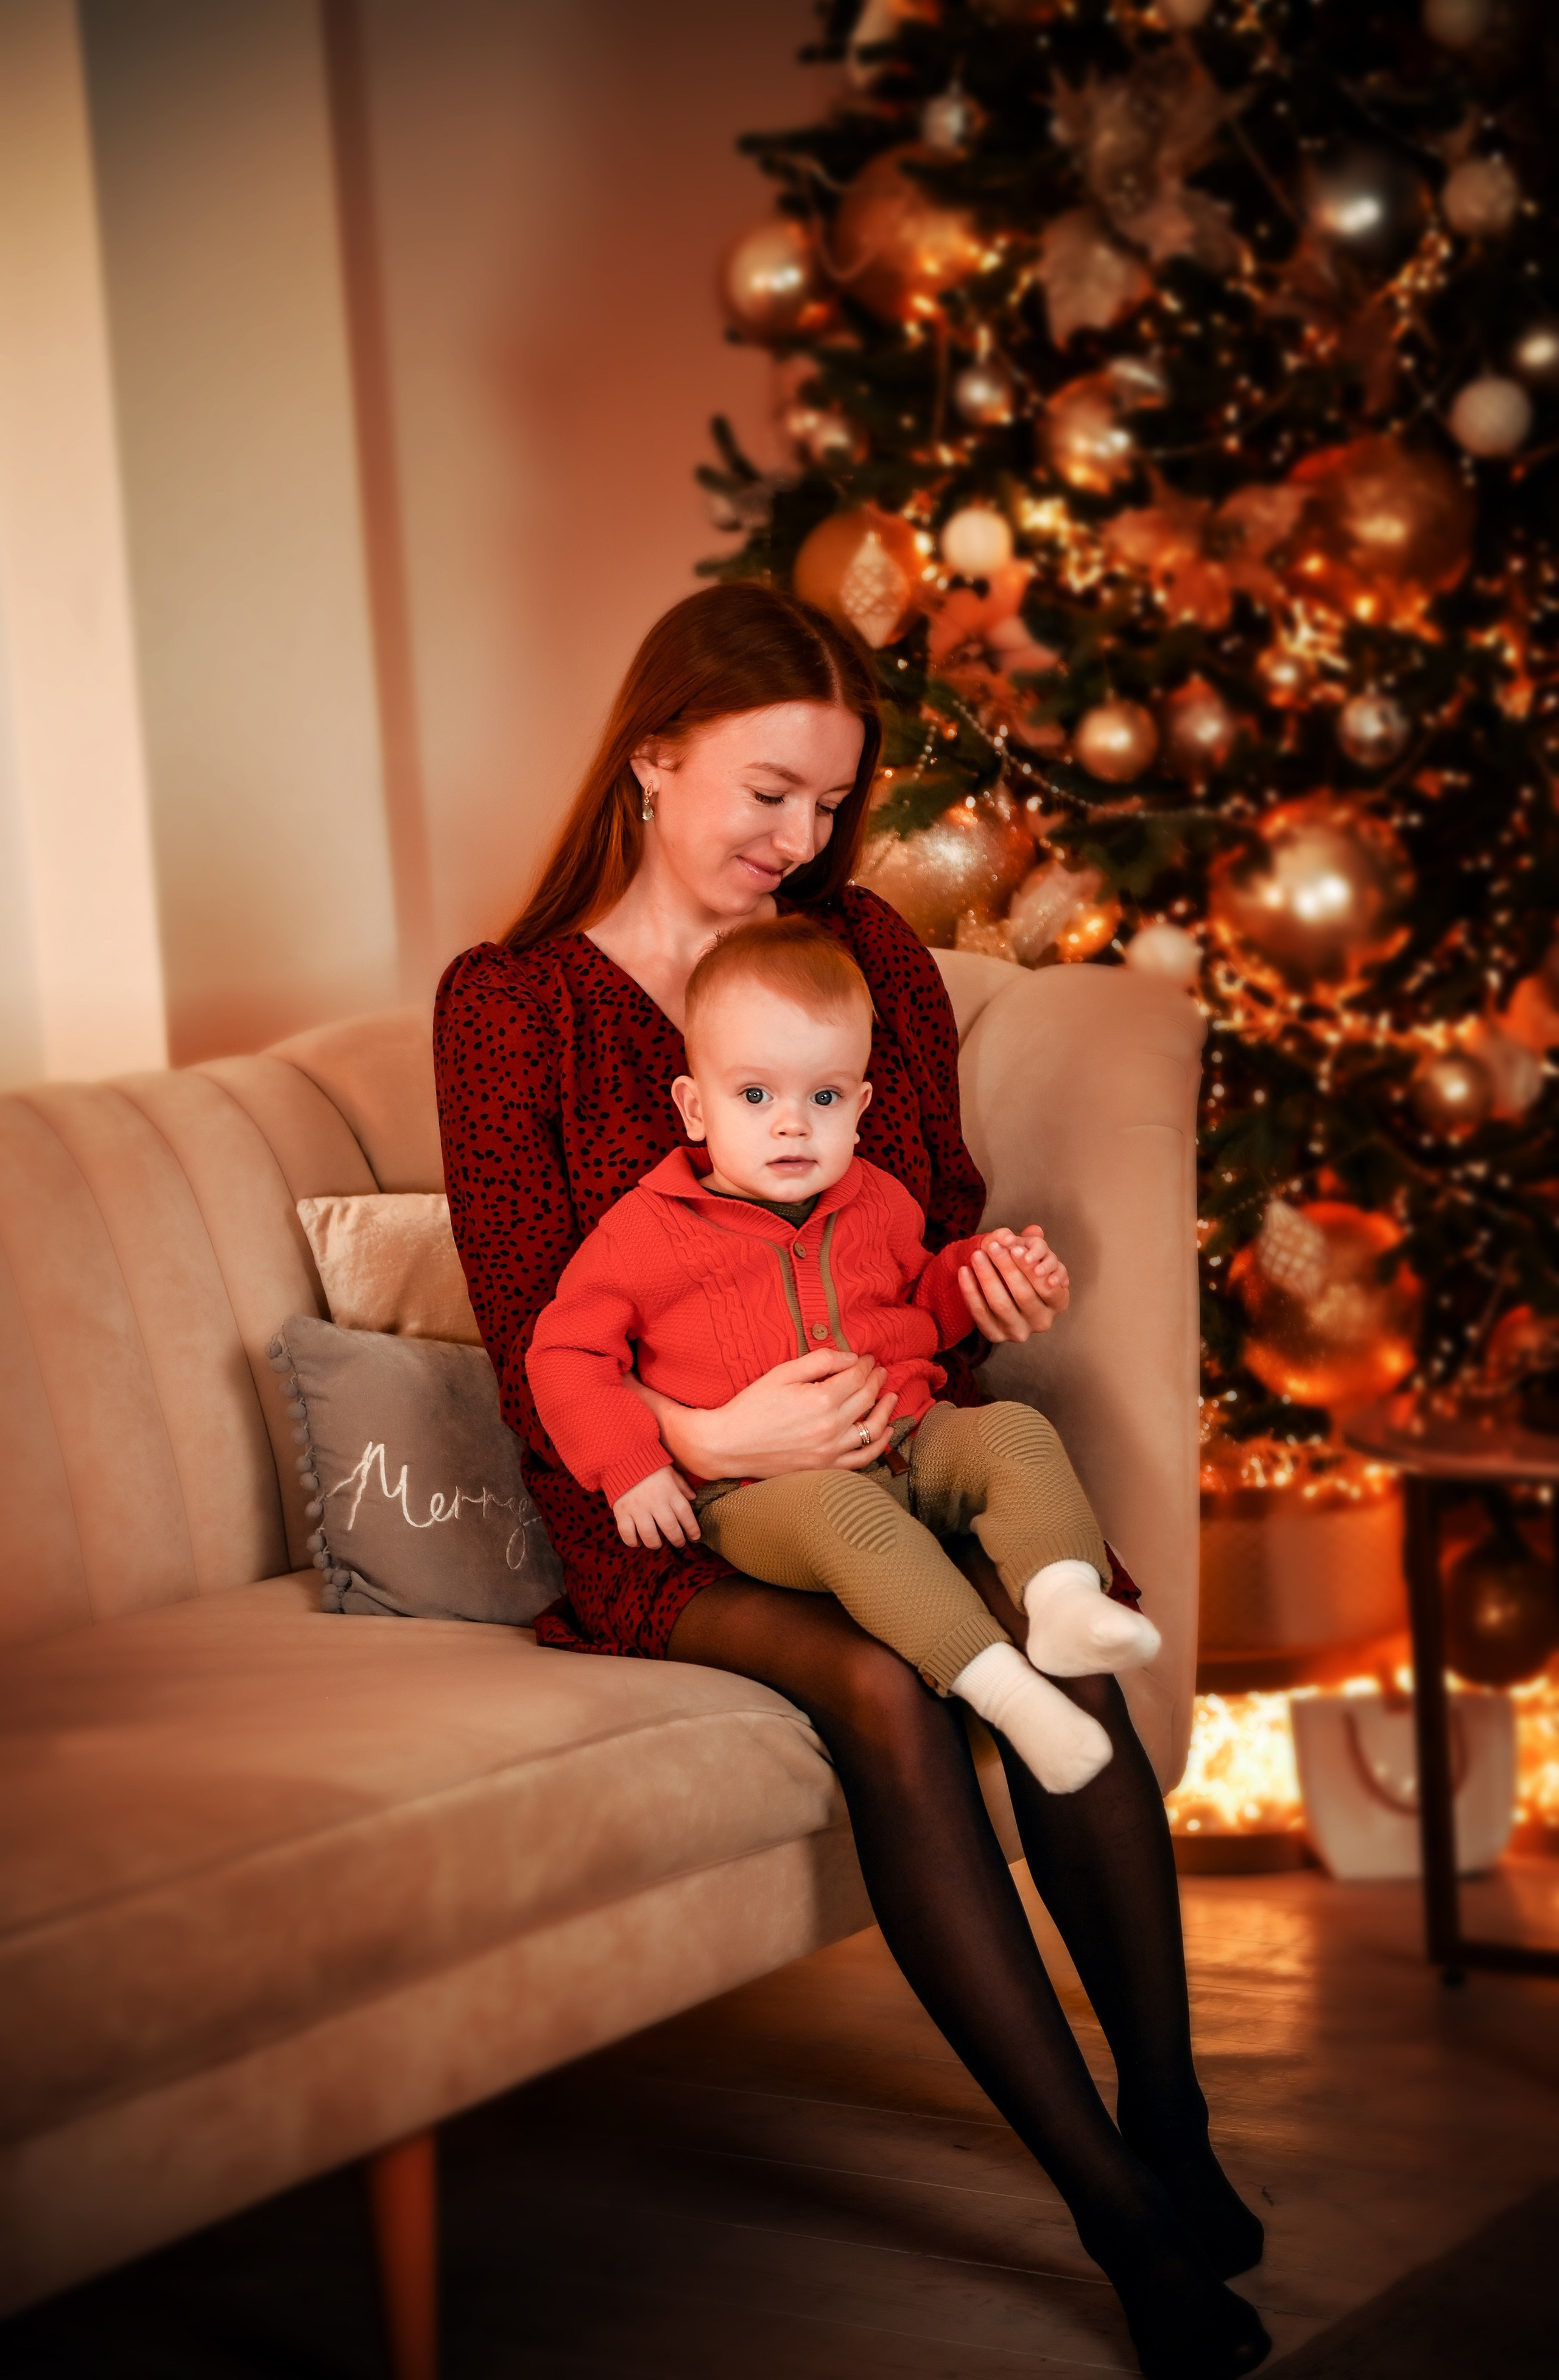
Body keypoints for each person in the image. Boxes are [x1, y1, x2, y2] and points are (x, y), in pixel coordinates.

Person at [434, 582, 1269, 2380]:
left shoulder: (865, 953)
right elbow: (528, 1333)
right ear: (652, 756)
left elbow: (923, 1232)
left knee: (1054, 1620)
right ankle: (1117, 2220)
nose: (800, 840)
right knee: (888, 1688)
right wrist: (712, 1441)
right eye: (767, 794)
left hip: (886, 1440)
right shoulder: (513, 1008)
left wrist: (988, 1290)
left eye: (829, 801)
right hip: (667, 1509)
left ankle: (1171, 2116)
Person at [527, 914, 1163, 1795]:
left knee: (1015, 1431)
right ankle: (1006, 1691)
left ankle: (1062, 1602)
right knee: (845, 1515)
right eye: (756, 1096)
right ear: (695, 1107)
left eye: (823, 1099)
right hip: (765, 1496)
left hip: (912, 1441)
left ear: (860, 1109)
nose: (792, 1126)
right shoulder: (643, 1232)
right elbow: (563, 1353)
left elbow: (925, 1309)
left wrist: (986, 1271)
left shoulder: (879, 1201)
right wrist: (633, 1466)